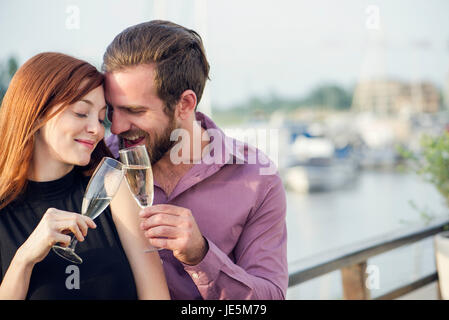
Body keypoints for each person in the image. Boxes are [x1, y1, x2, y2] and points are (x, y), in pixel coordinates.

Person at [103, 20, 288, 299]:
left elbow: (269, 298)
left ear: (185, 104)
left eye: (134, 111)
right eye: (111, 110)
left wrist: (200, 255)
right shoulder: (100, 162)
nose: (116, 128)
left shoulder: (258, 180)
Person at [0, 52, 170, 300]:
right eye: (81, 113)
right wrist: (24, 260)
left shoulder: (112, 186)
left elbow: (156, 295)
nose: (97, 130)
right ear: (36, 114)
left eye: (101, 118)